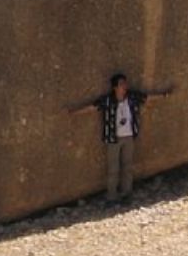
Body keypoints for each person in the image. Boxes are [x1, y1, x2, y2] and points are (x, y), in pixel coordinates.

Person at [71, 73, 173, 204]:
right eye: (121, 84)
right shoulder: (107, 100)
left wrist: (164, 95)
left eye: (125, 83)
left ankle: (126, 193)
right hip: (114, 139)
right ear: (115, 87)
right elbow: (92, 107)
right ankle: (112, 196)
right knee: (113, 169)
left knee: (127, 166)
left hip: (129, 137)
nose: (125, 86)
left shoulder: (131, 97)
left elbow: (147, 98)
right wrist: (74, 112)